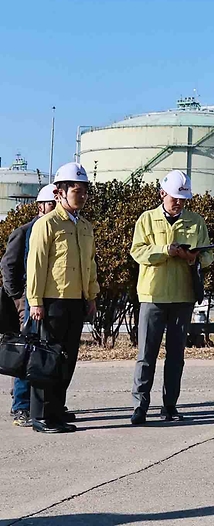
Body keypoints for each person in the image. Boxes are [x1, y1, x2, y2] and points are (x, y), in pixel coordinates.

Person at [129, 171, 213, 425]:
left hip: (183, 295)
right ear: (162, 194)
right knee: (146, 355)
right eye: (175, 197)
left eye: (183, 199)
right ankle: (140, 406)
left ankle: (170, 406)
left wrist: (194, 257)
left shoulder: (195, 221)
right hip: (152, 295)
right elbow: (138, 252)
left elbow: (208, 256)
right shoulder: (147, 219)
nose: (179, 202)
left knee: (176, 356)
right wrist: (165, 251)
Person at [26, 163, 99, 434]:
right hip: (52, 301)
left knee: (67, 360)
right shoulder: (47, 224)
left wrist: (91, 295)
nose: (82, 196)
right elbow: (36, 264)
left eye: (85, 191)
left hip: (76, 301)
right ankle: (41, 416)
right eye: (77, 191)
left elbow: (90, 264)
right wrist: (35, 301)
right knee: (48, 360)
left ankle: (57, 412)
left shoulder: (85, 227)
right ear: (60, 192)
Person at [2, 184, 58, 427]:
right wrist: (18, 297)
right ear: (40, 206)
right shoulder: (25, 231)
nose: (55, 208)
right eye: (51, 204)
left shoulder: (61, 229)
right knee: (27, 352)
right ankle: (21, 405)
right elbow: (8, 265)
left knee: (47, 353)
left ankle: (45, 404)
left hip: (52, 299)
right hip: (29, 299)